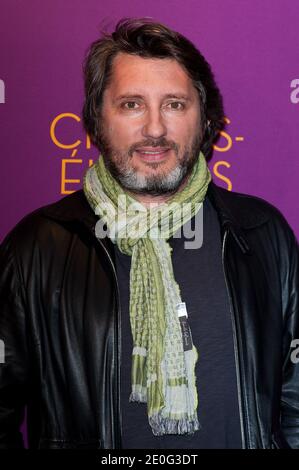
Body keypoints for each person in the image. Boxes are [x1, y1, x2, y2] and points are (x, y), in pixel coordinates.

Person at [0, 17, 298, 450]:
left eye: (175, 104)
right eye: (131, 104)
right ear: (96, 120)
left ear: (206, 120)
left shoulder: (261, 233)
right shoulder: (38, 247)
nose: (155, 129)